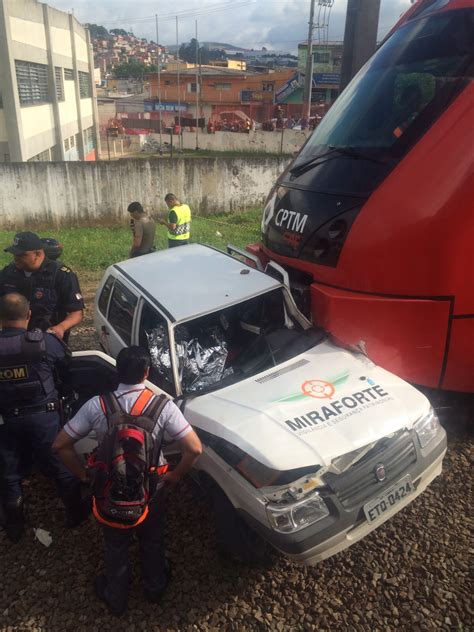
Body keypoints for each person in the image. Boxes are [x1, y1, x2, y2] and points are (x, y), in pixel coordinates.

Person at [52, 346, 202, 615]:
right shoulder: (163, 406)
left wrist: (84, 475)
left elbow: (61, 445)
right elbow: (194, 449)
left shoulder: (97, 405)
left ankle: (116, 597)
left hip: (109, 489)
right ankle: (155, 587)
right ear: (147, 372)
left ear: (117, 372)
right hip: (152, 489)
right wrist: (175, 476)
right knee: (152, 538)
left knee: (116, 544)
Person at [0, 293, 84, 542]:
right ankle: (75, 514)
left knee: (8, 472)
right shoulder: (44, 342)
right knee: (60, 465)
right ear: (28, 315)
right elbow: (67, 366)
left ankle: (14, 527)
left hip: (6, 421)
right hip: (43, 418)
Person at [0, 231, 84, 341]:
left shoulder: (61, 275)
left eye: (22, 255)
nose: (16, 258)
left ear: (38, 254)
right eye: (15, 254)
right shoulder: (8, 273)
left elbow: (76, 313)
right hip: (13, 341)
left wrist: (61, 328)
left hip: (48, 341)